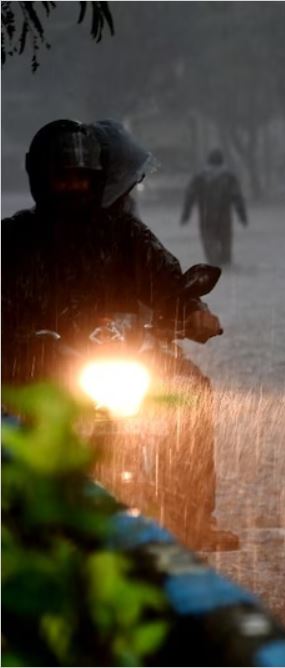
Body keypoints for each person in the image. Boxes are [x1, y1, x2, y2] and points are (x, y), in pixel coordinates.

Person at [1, 119, 238, 551]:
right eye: (62, 177)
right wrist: (24, 338)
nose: (73, 186)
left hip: (119, 356)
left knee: (191, 390)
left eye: (81, 178)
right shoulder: (13, 239)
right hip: (36, 368)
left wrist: (192, 309)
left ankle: (189, 518)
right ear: (41, 179)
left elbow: (166, 279)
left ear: (96, 180)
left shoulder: (124, 233)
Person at [181, 148, 248, 266]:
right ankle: (226, 263)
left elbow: (190, 196)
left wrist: (186, 215)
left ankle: (215, 264)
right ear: (222, 162)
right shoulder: (229, 177)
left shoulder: (200, 177)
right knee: (225, 240)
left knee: (209, 240)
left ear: (208, 161)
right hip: (224, 215)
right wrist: (242, 216)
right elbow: (237, 197)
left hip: (206, 215)